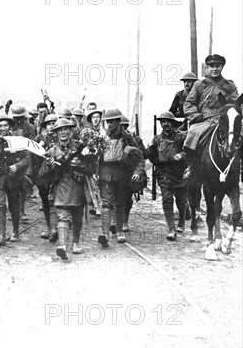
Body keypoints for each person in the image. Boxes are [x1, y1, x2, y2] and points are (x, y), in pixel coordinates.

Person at [46, 118, 96, 259]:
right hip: (60, 186)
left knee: (77, 216)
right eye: (60, 130)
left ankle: (75, 242)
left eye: (66, 129)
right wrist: (49, 166)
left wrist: (81, 165)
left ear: (71, 131)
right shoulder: (52, 150)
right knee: (62, 215)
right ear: (56, 133)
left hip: (78, 185)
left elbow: (92, 168)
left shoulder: (81, 148)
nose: (63, 132)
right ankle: (62, 245)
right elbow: (43, 175)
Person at [183, 54, 239, 179]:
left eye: (217, 66)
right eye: (212, 66)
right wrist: (196, 115)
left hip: (225, 119)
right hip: (205, 120)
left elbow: (236, 103)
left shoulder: (229, 85)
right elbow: (189, 103)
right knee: (191, 134)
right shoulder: (199, 85)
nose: (214, 69)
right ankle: (191, 166)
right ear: (207, 67)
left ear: (222, 67)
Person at [0, 113, 31, 245]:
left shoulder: (18, 140)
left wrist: (17, 166)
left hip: (14, 178)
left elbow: (26, 158)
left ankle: (15, 232)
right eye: (0, 125)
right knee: (0, 205)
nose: (3, 128)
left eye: (5, 125)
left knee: (14, 205)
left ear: (9, 126)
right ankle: (1, 235)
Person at [97, 109, 145, 247]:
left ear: (119, 122)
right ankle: (105, 234)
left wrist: (137, 173)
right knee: (106, 203)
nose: (110, 124)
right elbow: (95, 158)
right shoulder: (101, 137)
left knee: (120, 203)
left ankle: (119, 231)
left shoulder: (128, 138)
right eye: (108, 121)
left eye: (113, 121)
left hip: (123, 175)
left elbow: (139, 157)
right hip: (106, 175)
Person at [147, 112, 189, 241]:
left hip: (179, 173)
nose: (165, 124)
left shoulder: (181, 137)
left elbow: (190, 151)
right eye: (162, 122)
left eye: (168, 121)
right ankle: (171, 228)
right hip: (164, 173)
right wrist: (159, 160)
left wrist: (181, 155)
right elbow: (151, 155)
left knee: (181, 200)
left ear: (173, 123)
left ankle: (181, 221)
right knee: (167, 199)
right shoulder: (157, 139)